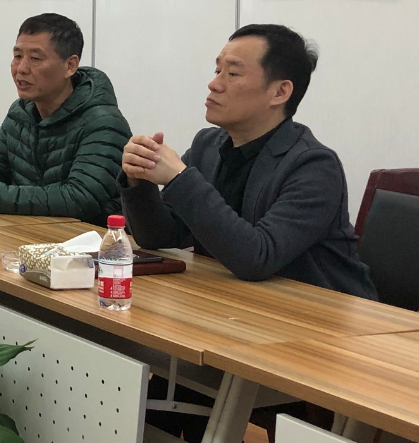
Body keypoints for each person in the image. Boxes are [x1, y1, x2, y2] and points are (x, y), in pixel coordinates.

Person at [120, 23, 375, 298]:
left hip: (318, 311)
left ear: (280, 92)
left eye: (232, 74)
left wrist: (179, 178)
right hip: (237, 301)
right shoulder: (207, 145)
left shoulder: (314, 166)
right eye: (217, 71)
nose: (214, 84)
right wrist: (139, 178)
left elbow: (257, 257)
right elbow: (160, 237)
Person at [0, 13, 131, 226]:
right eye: (17, 56)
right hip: (30, 231)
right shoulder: (21, 111)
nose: (21, 68)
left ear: (70, 66)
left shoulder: (104, 122)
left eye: (35, 59)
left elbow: (81, 198)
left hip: (88, 240)